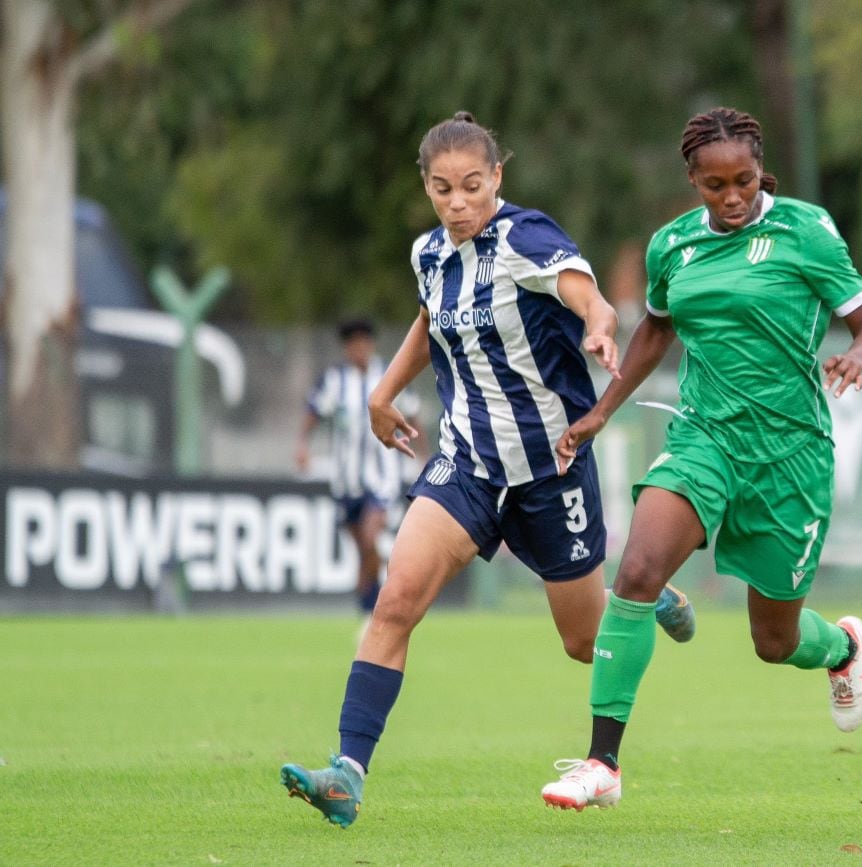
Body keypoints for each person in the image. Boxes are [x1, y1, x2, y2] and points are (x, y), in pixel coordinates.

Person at [278, 112, 695, 828]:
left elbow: (578, 284)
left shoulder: (525, 236)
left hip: (550, 468)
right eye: (443, 189)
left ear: (497, 177)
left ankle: (642, 594)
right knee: (394, 601)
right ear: (428, 187)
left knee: (584, 643)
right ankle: (347, 771)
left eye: (473, 185)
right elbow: (429, 318)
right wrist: (382, 392)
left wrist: (598, 319)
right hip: (465, 464)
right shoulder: (430, 254)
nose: (459, 202)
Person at [540, 107, 862, 811]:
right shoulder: (672, 246)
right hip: (704, 438)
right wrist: (602, 411)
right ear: (692, 180)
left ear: (762, 169)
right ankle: (601, 763)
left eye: (744, 181)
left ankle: (843, 648)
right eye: (715, 185)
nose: (731, 197)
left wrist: (855, 355)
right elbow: (656, 330)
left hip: (789, 456)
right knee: (636, 570)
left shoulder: (806, 230)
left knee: (773, 638)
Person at [297, 318, 418, 619]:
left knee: (369, 537)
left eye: (363, 341)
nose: (359, 348)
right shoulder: (334, 381)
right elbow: (313, 413)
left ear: (371, 344)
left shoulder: (388, 375)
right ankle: (368, 600)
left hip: (382, 477)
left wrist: (422, 452)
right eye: (352, 343)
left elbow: (413, 414)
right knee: (362, 548)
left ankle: (372, 610)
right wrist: (302, 445)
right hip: (345, 480)